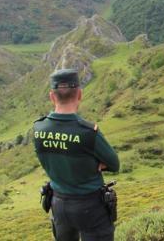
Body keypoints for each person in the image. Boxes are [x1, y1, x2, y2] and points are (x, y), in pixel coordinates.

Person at [33, 69, 120, 241]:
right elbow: (114, 164)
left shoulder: (38, 129)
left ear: (52, 96)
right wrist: (94, 163)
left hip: (58, 204)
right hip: (90, 208)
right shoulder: (87, 132)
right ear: (79, 94)